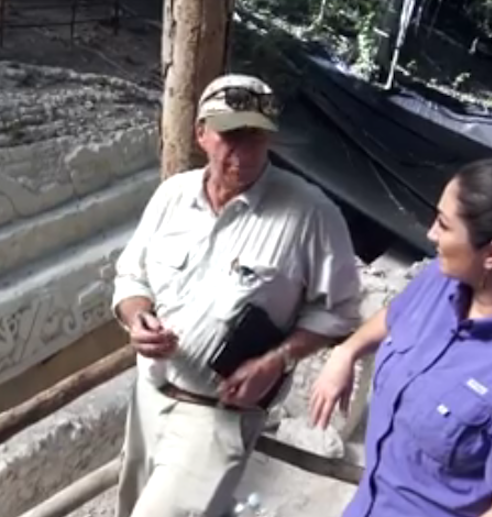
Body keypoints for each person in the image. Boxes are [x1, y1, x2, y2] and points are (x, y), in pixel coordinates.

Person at [111, 73, 363, 517]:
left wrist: (277, 360)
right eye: (231, 135)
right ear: (202, 134)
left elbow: (339, 313)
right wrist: (137, 319)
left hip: (217, 418)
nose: (244, 152)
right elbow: (132, 276)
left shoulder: (311, 215)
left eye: (257, 137)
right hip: (149, 397)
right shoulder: (173, 196)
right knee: (131, 504)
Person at [309, 154, 492, 517]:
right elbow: (397, 317)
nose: (430, 234)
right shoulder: (441, 282)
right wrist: (347, 352)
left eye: (444, 225)